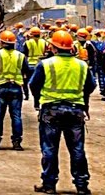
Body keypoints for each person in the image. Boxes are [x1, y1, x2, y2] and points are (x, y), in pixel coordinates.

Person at [29, 29, 95, 195]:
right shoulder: (82, 65)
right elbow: (91, 86)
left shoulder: (45, 64)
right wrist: (83, 102)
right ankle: (81, 185)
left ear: (53, 47)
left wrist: (38, 101)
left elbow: (33, 85)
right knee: (77, 149)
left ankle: (49, 185)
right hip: (75, 111)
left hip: (51, 111)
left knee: (50, 148)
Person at [0, 30, 28, 151]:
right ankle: (16, 142)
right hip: (15, 87)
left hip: (0, 87)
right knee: (16, 116)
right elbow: (26, 69)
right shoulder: (20, 56)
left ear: (2, 43)